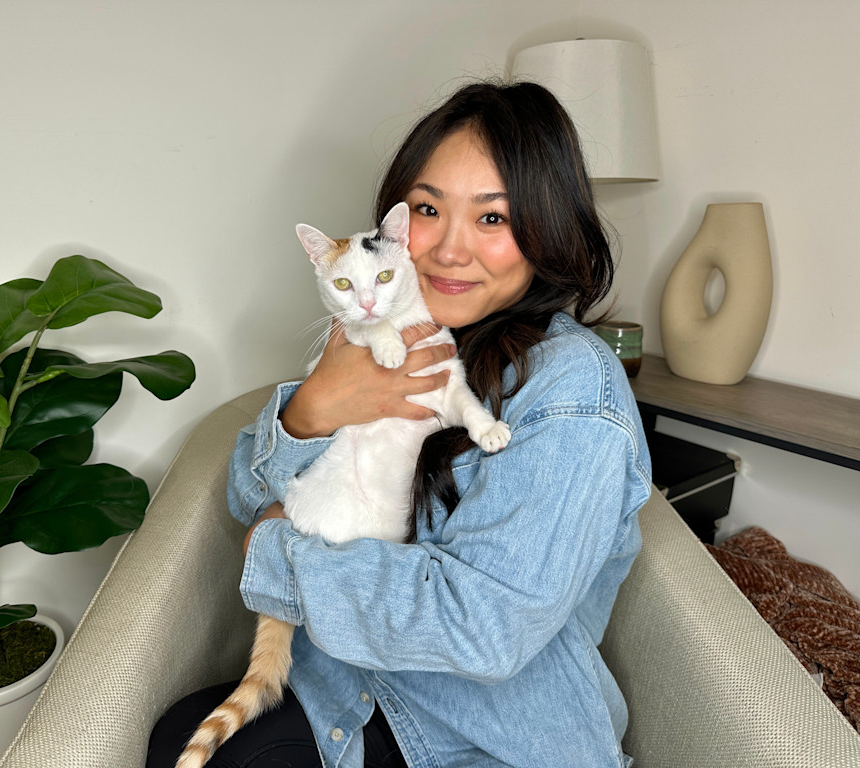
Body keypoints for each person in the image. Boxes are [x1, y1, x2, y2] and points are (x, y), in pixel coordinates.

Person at [147, 80, 652, 768]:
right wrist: (313, 408)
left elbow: (484, 632)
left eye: (493, 219)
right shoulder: (395, 334)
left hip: (489, 737)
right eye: (427, 209)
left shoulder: (570, 390)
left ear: (546, 229)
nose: (446, 250)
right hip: (356, 685)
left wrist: (276, 553)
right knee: (179, 737)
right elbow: (249, 494)